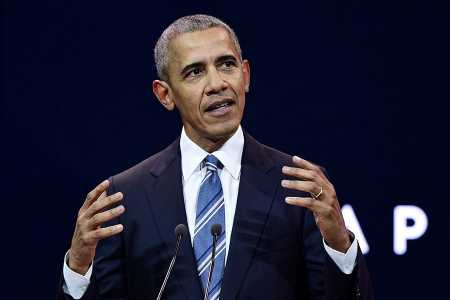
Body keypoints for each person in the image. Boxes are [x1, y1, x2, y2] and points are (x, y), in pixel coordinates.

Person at [58, 14, 373, 300]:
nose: (217, 84)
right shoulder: (126, 196)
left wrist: (339, 246)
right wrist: (78, 267)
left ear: (245, 75)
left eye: (227, 65)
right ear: (165, 94)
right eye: (195, 72)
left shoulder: (298, 185)